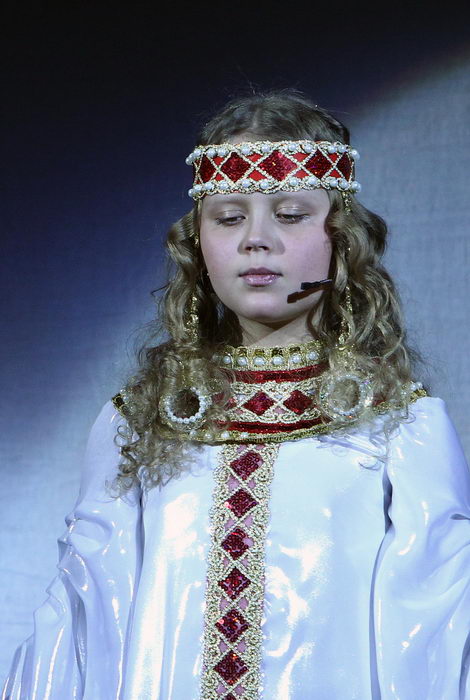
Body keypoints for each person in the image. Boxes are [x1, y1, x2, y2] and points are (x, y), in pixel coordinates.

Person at [3, 90, 470, 700]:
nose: (257, 239)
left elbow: (436, 632)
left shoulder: (398, 428)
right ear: (197, 241)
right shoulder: (137, 426)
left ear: (342, 237)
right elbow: (83, 622)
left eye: (291, 214)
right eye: (228, 217)